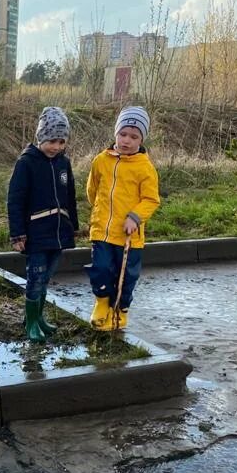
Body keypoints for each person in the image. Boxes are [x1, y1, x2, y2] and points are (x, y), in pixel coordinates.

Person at [7, 106, 79, 342]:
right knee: (35, 277)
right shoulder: (26, 163)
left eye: (61, 141)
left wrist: (72, 226)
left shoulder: (63, 163)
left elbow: (69, 196)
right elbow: (15, 200)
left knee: (46, 277)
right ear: (41, 137)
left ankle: (38, 318)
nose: (56, 146)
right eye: (52, 141)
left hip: (58, 233)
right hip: (36, 234)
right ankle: (30, 323)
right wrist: (18, 234)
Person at [85, 105, 159, 331]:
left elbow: (151, 199)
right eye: (123, 134)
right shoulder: (101, 160)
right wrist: (99, 211)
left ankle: (121, 310)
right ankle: (101, 303)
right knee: (102, 268)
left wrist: (135, 217)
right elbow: (92, 189)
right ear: (116, 133)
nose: (127, 140)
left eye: (134, 137)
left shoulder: (145, 168)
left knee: (127, 276)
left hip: (129, 235)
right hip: (102, 231)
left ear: (141, 140)